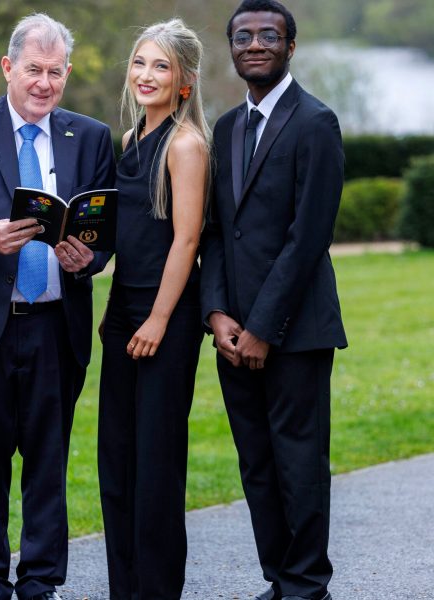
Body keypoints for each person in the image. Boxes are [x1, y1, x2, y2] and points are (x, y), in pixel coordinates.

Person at [0, 13, 115, 600]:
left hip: (57, 327)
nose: (44, 83)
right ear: (8, 67)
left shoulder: (89, 137)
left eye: (55, 72)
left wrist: (90, 258)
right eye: (33, 69)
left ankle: (39, 580)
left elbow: (105, 231)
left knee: (47, 461)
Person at [201, 1, 346, 599]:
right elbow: (216, 229)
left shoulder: (316, 122)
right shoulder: (228, 127)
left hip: (295, 331)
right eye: (243, 36)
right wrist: (217, 315)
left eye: (268, 35)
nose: (254, 44)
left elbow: (307, 237)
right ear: (231, 48)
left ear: (291, 46)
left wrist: (264, 325)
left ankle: (308, 584)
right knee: (256, 464)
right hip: (233, 330)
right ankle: (279, 578)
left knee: (298, 464)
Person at [95, 19, 210, 600]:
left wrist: (159, 320)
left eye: (160, 66)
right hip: (122, 315)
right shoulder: (131, 139)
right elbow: (132, 236)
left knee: (156, 466)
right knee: (115, 459)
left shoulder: (186, 145)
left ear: (184, 81)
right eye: (140, 62)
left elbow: (185, 243)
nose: (145, 75)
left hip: (165, 317)